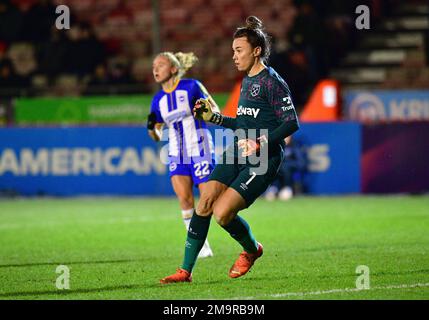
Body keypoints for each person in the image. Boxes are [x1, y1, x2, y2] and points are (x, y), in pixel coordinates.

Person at [160, 16, 300, 284]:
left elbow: (291, 123)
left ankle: (252, 249)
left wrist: (259, 142)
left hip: (262, 156)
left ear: (256, 51)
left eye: (239, 50)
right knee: (206, 201)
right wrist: (215, 118)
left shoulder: (272, 82)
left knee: (223, 215)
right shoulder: (246, 81)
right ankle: (185, 271)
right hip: (238, 149)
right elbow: (243, 124)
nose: (234, 57)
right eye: (233, 51)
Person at [147, 52, 220, 258]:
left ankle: (240, 236)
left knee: (209, 201)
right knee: (185, 200)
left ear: (172, 69)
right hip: (176, 153)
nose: (155, 69)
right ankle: (201, 247)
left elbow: (214, 108)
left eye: (160, 65)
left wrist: (204, 110)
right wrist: (153, 130)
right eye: (153, 65)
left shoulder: (192, 86)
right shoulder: (158, 100)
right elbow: (156, 132)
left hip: (200, 149)